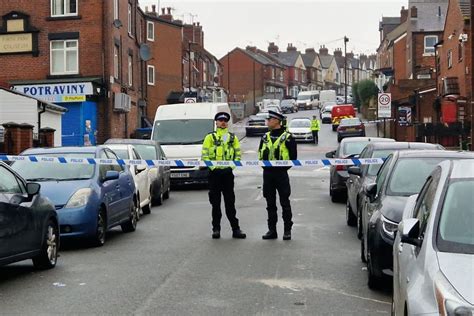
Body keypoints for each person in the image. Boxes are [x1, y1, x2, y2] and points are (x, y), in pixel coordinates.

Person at [201, 112, 246, 239]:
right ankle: (216, 229)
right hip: (214, 175)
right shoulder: (210, 138)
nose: (223, 122)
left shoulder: (232, 138)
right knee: (215, 205)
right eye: (220, 120)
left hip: (227, 174)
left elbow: (238, 156)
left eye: (225, 120)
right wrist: (214, 168)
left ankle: (235, 229)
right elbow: (205, 155)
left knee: (230, 204)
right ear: (216, 122)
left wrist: (230, 167)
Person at [258, 110, 297, 240]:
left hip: (281, 174)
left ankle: (287, 230)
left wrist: (282, 167)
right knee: (270, 204)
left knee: (285, 202)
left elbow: (293, 157)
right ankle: (272, 230)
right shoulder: (265, 137)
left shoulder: (288, 137)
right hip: (268, 174)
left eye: (270, 119)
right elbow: (260, 154)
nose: (268, 121)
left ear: (276, 121)